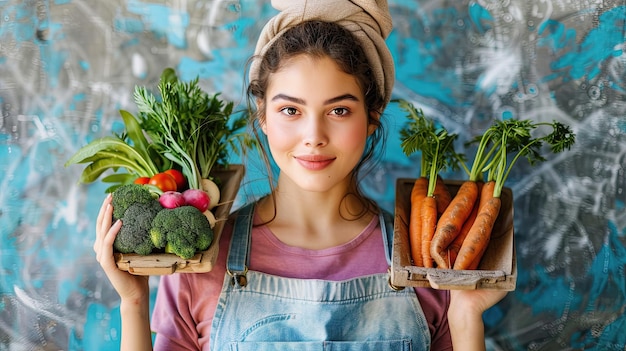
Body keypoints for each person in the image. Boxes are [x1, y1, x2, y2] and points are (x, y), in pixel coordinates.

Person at [93, 0, 507, 349]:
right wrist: (133, 302)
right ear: (264, 117)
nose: (314, 137)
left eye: (339, 111)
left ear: (373, 118)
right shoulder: (200, 264)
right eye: (291, 110)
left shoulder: (430, 262)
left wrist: (466, 313)